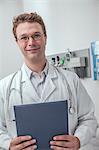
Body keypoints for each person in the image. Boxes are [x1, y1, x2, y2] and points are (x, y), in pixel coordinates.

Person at [0, 12, 98, 150]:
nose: (31, 42)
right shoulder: (5, 87)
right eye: (24, 37)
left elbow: (88, 119)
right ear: (17, 42)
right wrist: (7, 144)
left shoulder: (71, 80)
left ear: (45, 37)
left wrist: (78, 140)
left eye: (36, 35)